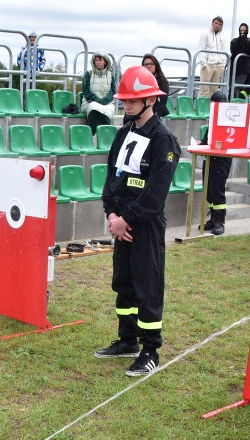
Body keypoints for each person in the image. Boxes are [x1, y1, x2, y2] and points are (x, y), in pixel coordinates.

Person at [97, 65, 180, 377]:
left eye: (133, 100)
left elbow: (155, 194)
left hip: (144, 226)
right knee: (124, 284)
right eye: (125, 100)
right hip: (122, 224)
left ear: (150, 101)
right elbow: (111, 179)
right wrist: (112, 214)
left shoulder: (164, 140)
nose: (126, 105)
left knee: (148, 286)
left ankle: (150, 350)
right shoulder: (123, 133)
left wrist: (126, 220)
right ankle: (127, 340)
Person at [200, 91, 231, 236]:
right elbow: (208, 140)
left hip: (221, 160)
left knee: (217, 191)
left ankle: (219, 221)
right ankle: (212, 219)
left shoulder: (229, 121)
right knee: (209, 191)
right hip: (210, 158)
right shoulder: (213, 120)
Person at [80, 50, 117, 136]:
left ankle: (108, 139)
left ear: (105, 62)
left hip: (107, 103)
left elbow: (113, 91)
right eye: (96, 60)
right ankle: (91, 136)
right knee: (94, 109)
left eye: (100, 60)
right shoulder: (88, 74)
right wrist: (97, 101)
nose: (98, 62)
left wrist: (104, 101)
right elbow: (86, 91)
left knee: (106, 113)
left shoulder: (111, 75)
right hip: (90, 102)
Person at [196, 16, 226, 97]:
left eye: (220, 24)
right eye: (216, 23)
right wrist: (203, 64)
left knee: (213, 90)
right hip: (208, 65)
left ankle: (211, 108)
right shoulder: (205, 34)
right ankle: (201, 108)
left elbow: (223, 51)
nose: (217, 25)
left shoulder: (222, 37)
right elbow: (201, 49)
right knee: (203, 89)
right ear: (212, 23)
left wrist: (223, 65)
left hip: (219, 66)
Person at [229, 23, 250, 99]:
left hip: (244, 69)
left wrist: (244, 41)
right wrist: (240, 41)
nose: (242, 32)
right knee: (231, 88)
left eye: (244, 30)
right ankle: (230, 102)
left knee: (237, 87)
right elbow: (234, 51)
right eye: (241, 30)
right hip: (233, 68)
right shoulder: (234, 41)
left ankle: (237, 102)